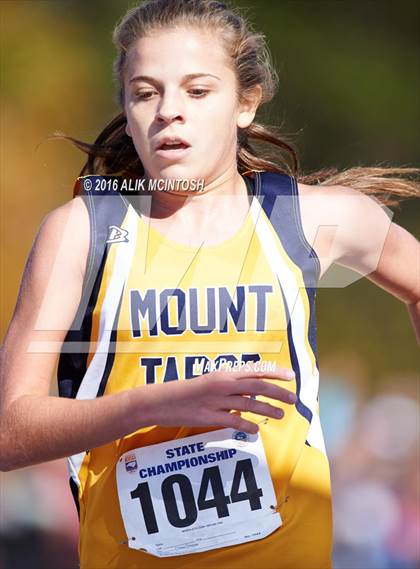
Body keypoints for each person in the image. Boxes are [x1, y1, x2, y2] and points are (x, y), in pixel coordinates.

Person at [1, 0, 419, 568]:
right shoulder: (83, 230)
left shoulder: (311, 220)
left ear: (245, 102)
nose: (169, 111)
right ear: (125, 107)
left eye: (197, 91)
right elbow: (9, 429)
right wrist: (161, 403)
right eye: (146, 92)